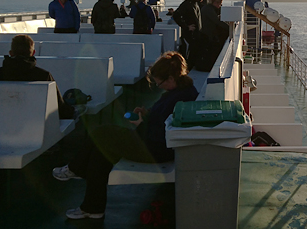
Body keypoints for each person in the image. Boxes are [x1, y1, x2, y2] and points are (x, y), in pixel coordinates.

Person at [52, 52, 198, 220]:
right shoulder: (180, 91)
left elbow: (161, 134)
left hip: (156, 149)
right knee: (100, 154)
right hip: (153, 143)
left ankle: (75, 169)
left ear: (170, 78)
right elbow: (163, 120)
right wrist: (147, 114)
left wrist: (141, 123)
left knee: (101, 133)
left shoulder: (180, 98)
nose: (159, 87)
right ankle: (92, 208)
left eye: (159, 83)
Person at [0, 34, 74, 119]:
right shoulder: (43, 76)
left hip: (1, 121)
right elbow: (60, 109)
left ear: (11, 53)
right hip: (36, 123)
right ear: (33, 53)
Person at [171, 0, 203, 69]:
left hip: (196, 35)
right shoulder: (186, 5)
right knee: (188, 58)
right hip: (189, 36)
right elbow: (176, 15)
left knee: (194, 55)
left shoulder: (196, 4)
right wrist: (186, 27)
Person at [197, 0, 229, 71]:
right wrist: (230, 28)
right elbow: (217, 21)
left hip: (207, 33)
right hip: (208, 34)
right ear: (214, 2)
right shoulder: (209, 10)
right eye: (219, 4)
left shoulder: (208, 8)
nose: (219, 6)